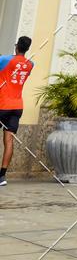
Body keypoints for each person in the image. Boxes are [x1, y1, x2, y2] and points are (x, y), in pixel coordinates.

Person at [0, 36, 34, 186]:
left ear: (17, 46)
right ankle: (2, 177)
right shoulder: (30, 64)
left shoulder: (5, 59)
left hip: (2, 104)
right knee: (9, 140)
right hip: (17, 106)